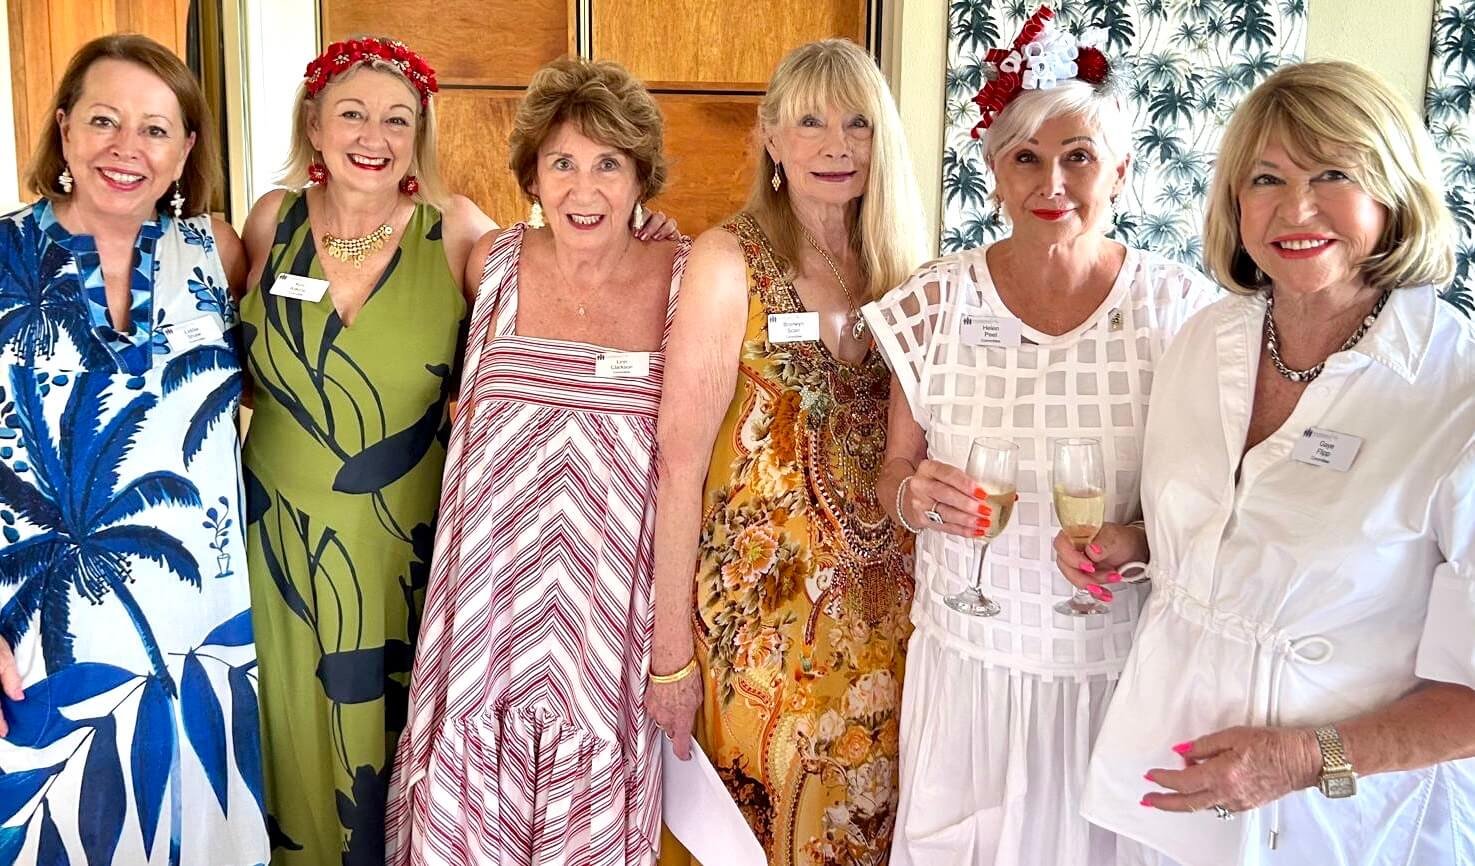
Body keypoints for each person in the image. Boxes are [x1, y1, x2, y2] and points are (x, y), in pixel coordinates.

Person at [1064, 61, 1475, 866]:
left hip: (1343, 824)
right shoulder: (1203, 339)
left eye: (1333, 174)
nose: (1296, 208)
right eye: (1265, 178)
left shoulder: (1454, 393)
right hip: (1167, 778)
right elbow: (1236, 530)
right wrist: (1140, 542)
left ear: (1393, 193)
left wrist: (1300, 760)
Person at [862, 9, 1218, 864]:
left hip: (1116, 675)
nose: (1050, 181)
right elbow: (893, 475)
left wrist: (1132, 541)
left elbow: (1218, 503)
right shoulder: (935, 301)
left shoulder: (1179, 313)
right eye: (1025, 157)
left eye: (1078, 157)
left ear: (1121, 174)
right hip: (970, 673)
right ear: (993, 173)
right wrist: (910, 498)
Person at [385, 56, 688, 866]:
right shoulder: (493, 264)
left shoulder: (684, 280)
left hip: (607, 611)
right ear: (531, 176)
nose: (583, 190)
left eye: (607, 165)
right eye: (561, 164)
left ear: (640, 178)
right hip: (484, 607)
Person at [648, 39, 928, 865]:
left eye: (856, 123)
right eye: (809, 122)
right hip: (759, 634)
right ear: (771, 138)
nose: (835, 144)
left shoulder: (902, 269)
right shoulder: (727, 259)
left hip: (887, 628)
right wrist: (670, 661)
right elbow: (677, 464)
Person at [0, 34, 268, 864]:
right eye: (105, 120)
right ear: (64, 128)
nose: (128, 148)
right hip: (41, 631)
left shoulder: (216, 256)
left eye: (156, 129)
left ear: (187, 149)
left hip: (205, 637)